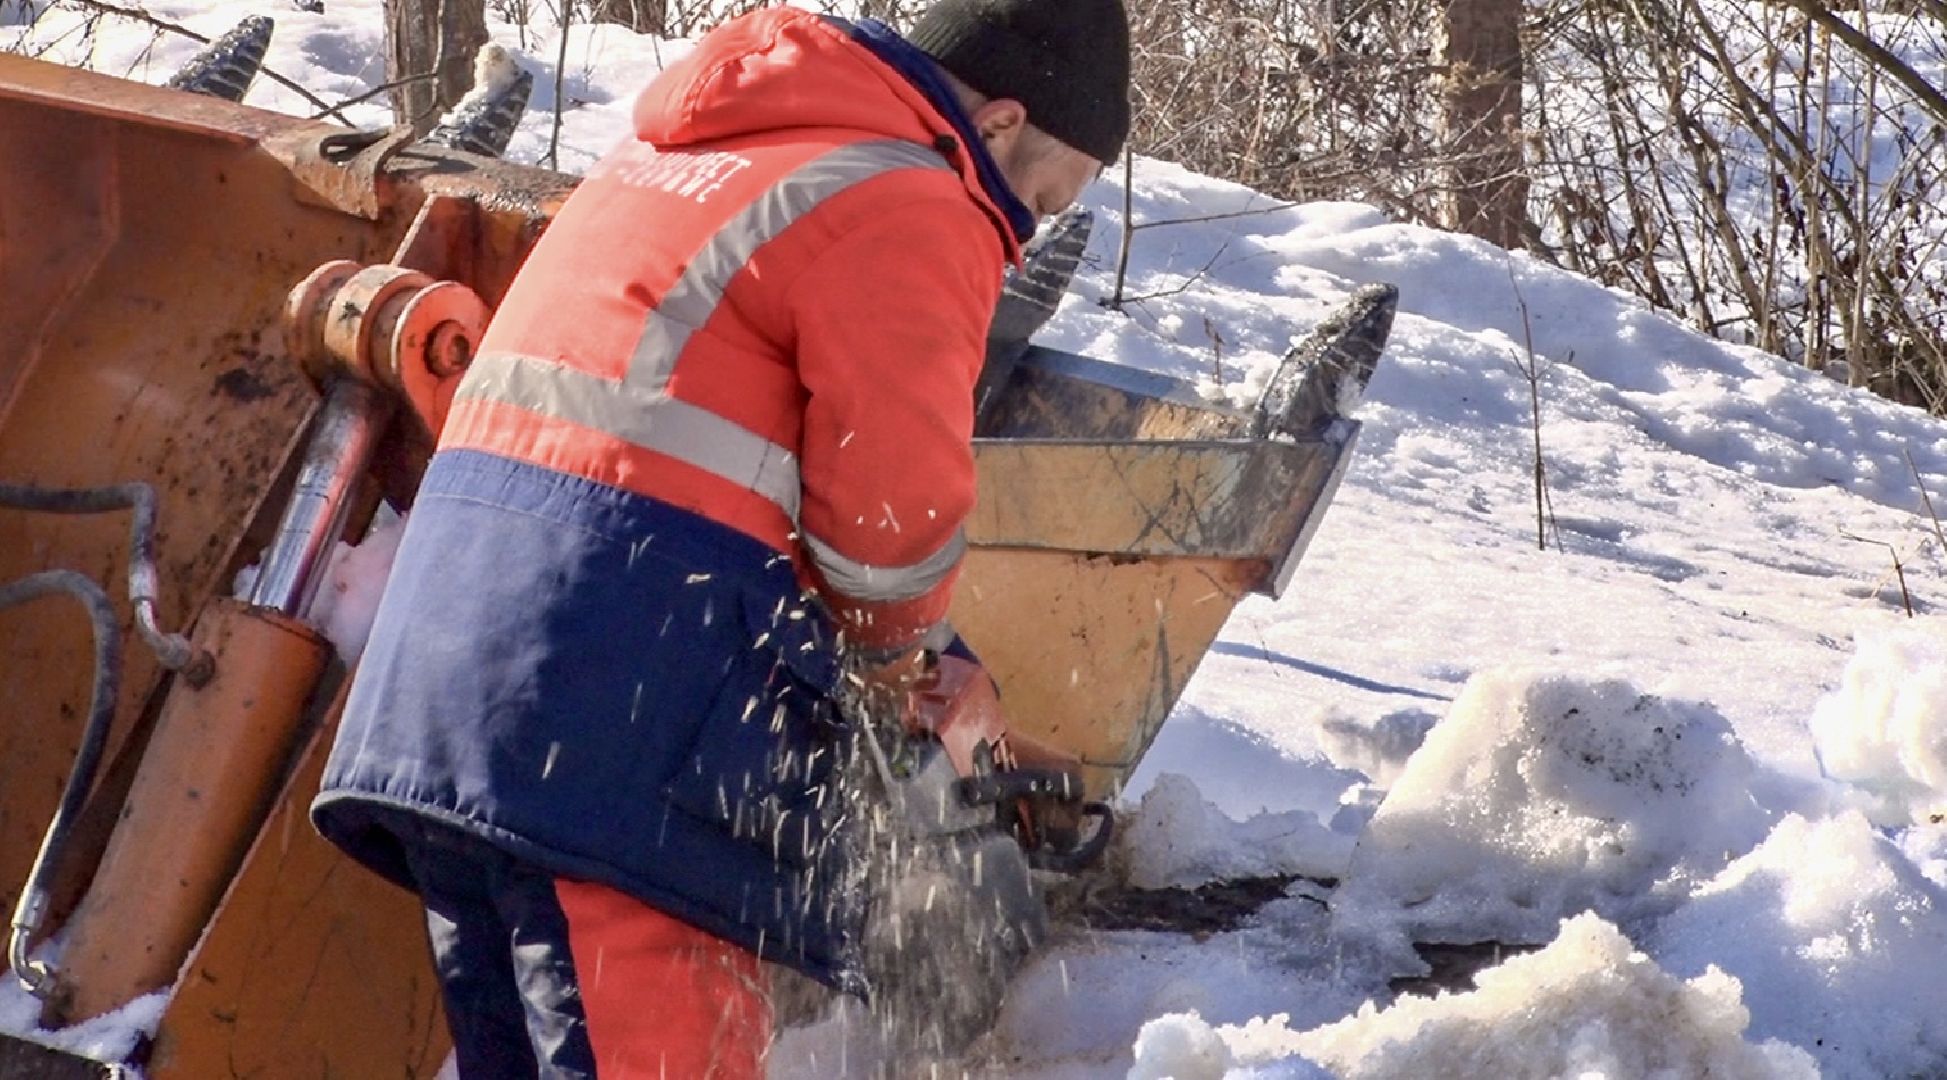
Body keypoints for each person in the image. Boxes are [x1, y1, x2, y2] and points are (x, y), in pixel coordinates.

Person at [309, 0, 1131, 1076]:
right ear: (1007, 122)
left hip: (448, 698)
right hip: (613, 735)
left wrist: (936, 673)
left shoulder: (674, 149)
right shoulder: (916, 194)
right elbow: (886, 518)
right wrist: (902, 667)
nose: (1019, 233)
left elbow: (687, 452)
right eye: (1039, 198)